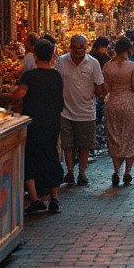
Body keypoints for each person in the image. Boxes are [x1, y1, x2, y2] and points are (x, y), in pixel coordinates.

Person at [10, 39, 64, 214]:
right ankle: (54, 197)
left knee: (31, 157)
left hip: (33, 122)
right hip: (52, 122)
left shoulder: (30, 76)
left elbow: (18, 95)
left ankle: (35, 199)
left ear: (34, 55)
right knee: (51, 155)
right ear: (52, 56)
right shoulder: (56, 76)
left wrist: (8, 97)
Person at [55, 34, 104, 186]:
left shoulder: (93, 63)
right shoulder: (61, 61)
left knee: (84, 144)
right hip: (65, 110)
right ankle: (70, 171)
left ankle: (82, 173)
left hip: (86, 112)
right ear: (70, 47)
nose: (77, 52)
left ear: (86, 47)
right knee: (67, 144)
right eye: (74, 48)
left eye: (80, 48)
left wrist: (100, 91)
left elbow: (99, 86)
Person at [101, 39, 134, 186]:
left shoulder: (107, 67)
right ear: (128, 50)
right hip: (130, 104)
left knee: (115, 136)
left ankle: (116, 171)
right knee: (130, 136)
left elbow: (105, 88)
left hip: (112, 103)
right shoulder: (132, 66)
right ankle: (127, 172)